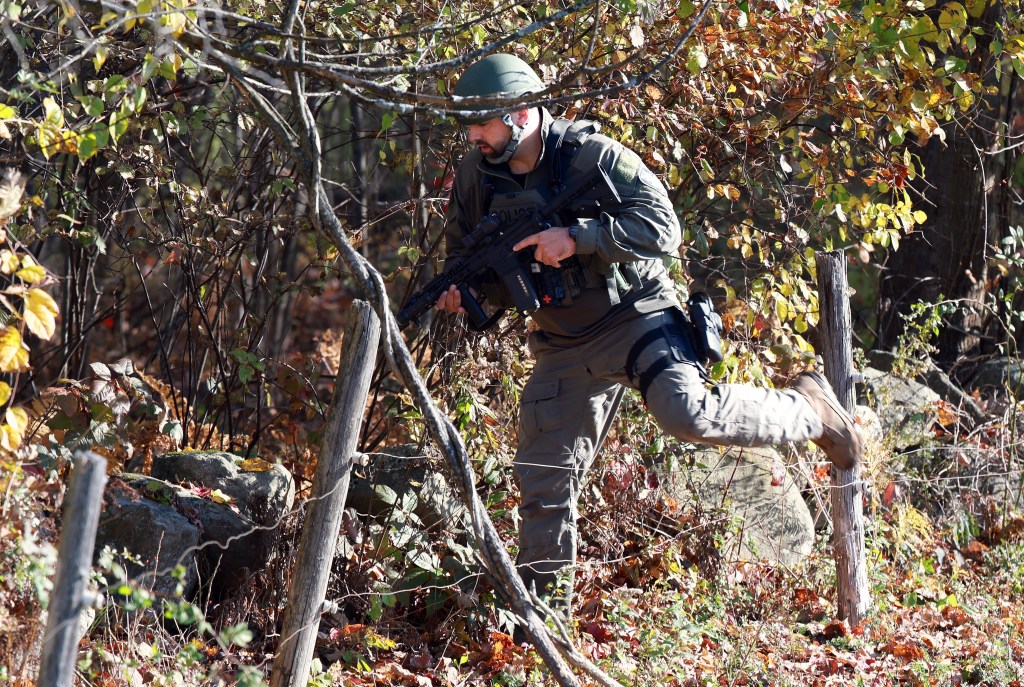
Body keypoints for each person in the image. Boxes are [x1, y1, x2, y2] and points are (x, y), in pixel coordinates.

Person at [434, 53, 863, 608]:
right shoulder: (477, 176)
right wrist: (463, 295)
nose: (475, 137)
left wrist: (579, 237)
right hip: (562, 344)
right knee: (542, 482)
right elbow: (466, 259)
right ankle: (543, 624)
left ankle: (809, 410)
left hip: (637, 314)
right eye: (470, 125)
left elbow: (665, 227)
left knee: (688, 413)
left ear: (520, 113)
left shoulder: (592, 156)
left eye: (483, 123)